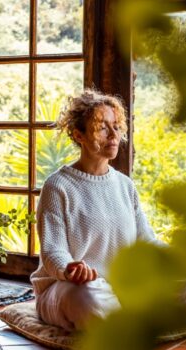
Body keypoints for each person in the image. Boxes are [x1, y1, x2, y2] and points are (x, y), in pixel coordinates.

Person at [30, 89, 163, 332]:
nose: (114, 135)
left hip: (122, 289)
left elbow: (147, 241)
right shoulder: (57, 186)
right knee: (87, 294)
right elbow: (52, 251)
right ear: (78, 135)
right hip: (68, 289)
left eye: (116, 126)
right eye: (103, 128)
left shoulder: (125, 185)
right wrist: (70, 269)